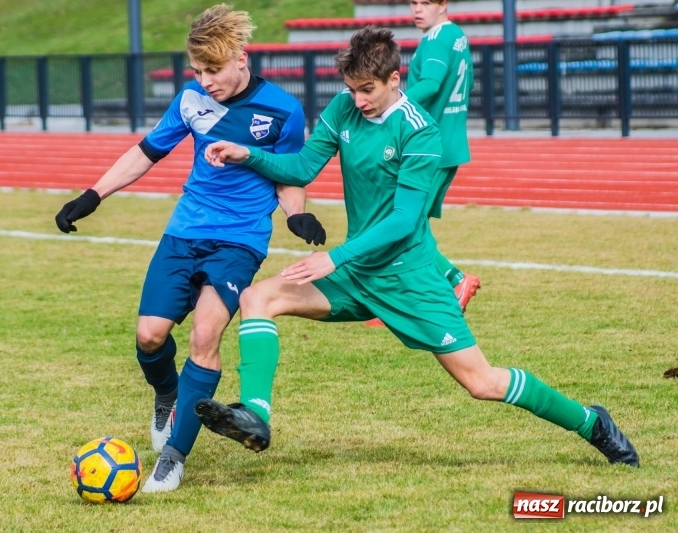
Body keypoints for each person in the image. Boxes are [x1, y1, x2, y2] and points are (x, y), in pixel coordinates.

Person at [194, 26, 639, 469]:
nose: (358, 100)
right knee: (257, 298)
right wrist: (247, 154)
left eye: (367, 90)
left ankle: (591, 423)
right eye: (350, 90)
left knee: (482, 382)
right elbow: (304, 165)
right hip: (355, 275)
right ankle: (255, 415)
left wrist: (334, 256)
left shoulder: (421, 132)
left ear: (394, 79)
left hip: (409, 276)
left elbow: (405, 221)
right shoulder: (344, 108)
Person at [54, 4, 326, 493]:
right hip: (184, 231)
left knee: (205, 335)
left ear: (242, 59)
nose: (205, 81)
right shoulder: (189, 99)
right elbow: (146, 151)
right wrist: (92, 195)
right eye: (197, 71)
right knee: (150, 337)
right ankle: (167, 396)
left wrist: (295, 213)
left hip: (239, 241)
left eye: (213, 71)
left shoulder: (283, 110)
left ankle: (174, 457)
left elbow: (288, 174)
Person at [366, 0, 477, 330]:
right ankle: (423, 291)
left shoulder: (437, 38)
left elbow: (430, 83)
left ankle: (451, 281)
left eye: (425, 2)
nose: (417, 9)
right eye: (413, 3)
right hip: (447, 142)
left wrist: (393, 105)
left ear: (443, 4)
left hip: (430, 146)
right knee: (412, 223)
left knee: (403, 223)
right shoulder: (455, 35)